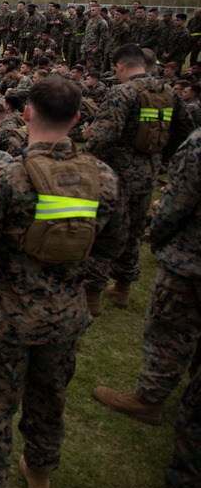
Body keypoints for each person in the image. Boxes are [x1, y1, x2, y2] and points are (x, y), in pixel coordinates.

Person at [0, 77, 126, 488]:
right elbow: (115, 246)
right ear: (79, 119)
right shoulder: (103, 177)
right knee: (50, 397)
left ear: (26, 115)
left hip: (7, 316)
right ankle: (39, 474)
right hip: (66, 315)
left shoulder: (5, 176)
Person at [92, 127, 201, 430]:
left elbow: (173, 207)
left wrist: (163, 240)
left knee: (171, 329)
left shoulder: (197, 144)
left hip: (191, 259)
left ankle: (150, 397)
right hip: (146, 179)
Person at [84, 44, 193, 314]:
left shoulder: (122, 92)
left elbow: (102, 136)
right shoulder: (167, 91)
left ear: (121, 66)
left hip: (115, 175)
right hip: (148, 173)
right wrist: (161, 158)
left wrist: (83, 162)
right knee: (132, 232)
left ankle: (92, 295)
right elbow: (186, 129)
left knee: (101, 230)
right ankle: (122, 288)